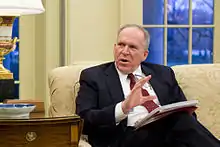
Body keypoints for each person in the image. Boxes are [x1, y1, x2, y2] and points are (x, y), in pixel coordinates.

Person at [76, 24, 220, 147]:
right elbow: (83, 120)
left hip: (167, 139)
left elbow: (186, 114)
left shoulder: (163, 73)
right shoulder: (94, 76)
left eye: (132, 47)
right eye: (121, 45)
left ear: (144, 54)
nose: (124, 51)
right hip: (124, 139)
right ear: (115, 48)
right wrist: (123, 108)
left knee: (183, 120)